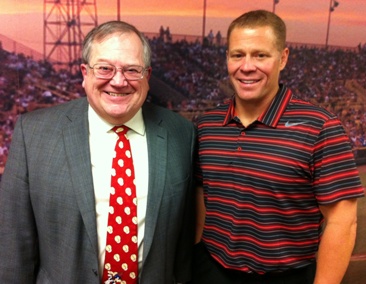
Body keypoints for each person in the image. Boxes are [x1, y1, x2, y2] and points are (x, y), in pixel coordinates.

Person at [0, 20, 196, 283]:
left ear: (147, 76)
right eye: (104, 68)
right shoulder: (33, 134)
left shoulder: (182, 133)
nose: (118, 81)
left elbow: (182, 246)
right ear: (85, 73)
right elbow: (14, 246)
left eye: (131, 69)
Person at [192, 10, 364, 284]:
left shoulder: (321, 127)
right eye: (238, 55)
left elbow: (343, 222)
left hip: (286, 276)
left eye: (261, 55)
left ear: (283, 58)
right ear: (227, 58)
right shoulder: (207, 125)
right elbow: (201, 198)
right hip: (211, 270)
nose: (247, 66)